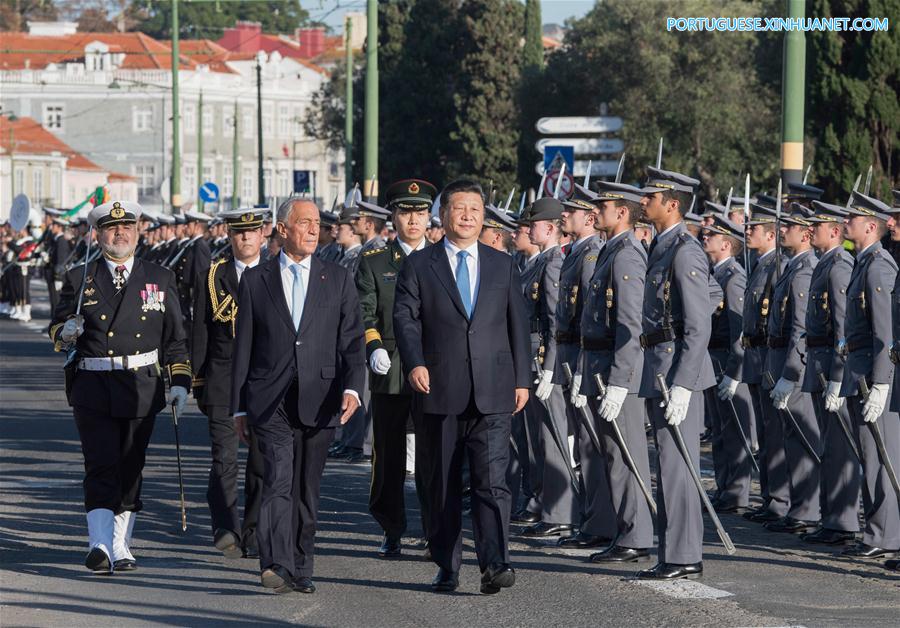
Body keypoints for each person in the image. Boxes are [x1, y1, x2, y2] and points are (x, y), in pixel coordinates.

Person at [394, 178, 531, 594]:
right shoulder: (420, 264)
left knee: (493, 482)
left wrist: (522, 379)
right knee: (441, 483)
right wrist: (415, 363)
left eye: (474, 208)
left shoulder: (502, 264)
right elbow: (405, 319)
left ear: (484, 216)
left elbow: (518, 327)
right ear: (445, 214)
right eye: (459, 208)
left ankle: (495, 563)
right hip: (439, 390)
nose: (467, 215)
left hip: (493, 391)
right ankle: (447, 565)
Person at [230, 197, 365, 594]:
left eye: (317, 223)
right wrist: (238, 405)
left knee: (307, 488)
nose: (312, 229)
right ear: (282, 229)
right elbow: (245, 347)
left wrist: (354, 387)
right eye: (303, 222)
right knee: (276, 482)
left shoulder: (337, 278)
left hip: (321, 396)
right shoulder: (256, 280)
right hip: (270, 400)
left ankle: (302, 564)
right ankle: (275, 564)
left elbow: (353, 341)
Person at [48, 200, 191, 573]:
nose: (120, 233)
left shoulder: (159, 277)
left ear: (138, 231)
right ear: (98, 235)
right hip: (93, 384)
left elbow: (175, 338)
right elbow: (57, 327)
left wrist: (179, 381)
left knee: (130, 465)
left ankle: (120, 544)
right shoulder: (81, 277)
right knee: (99, 462)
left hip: (140, 385)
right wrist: (64, 332)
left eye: (127, 227)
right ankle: (98, 545)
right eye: (112, 229)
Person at [637, 167, 721, 580]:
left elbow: (697, 324)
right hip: (660, 368)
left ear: (672, 204)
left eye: (650, 197)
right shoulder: (662, 246)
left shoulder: (684, 250)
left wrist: (684, 383)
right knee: (668, 465)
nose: (642, 202)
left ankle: (685, 554)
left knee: (678, 467)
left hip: (676, 371)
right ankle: (672, 551)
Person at [356, 179, 436, 558]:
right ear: (394, 217)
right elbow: (365, 310)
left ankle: (434, 525)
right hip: (389, 368)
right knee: (388, 457)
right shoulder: (375, 262)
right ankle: (391, 526)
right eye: (406, 212)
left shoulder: (442, 258)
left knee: (432, 455)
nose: (414, 220)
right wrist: (373, 344)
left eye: (420, 212)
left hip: (434, 370)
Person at [577, 181, 654, 563]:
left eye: (603, 206)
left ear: (621, 212)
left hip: (614, 368)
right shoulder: (611, 251)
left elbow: (629, 325)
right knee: (612, 454)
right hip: (598, 366)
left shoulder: (625, 255)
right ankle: (626, 530)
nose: (596, 212)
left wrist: (621, 381)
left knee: (626, 455)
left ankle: (636, 535)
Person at [191, 208, 267, 560]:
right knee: (224, 458)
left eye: (252, 232)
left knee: (261, 460)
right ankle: (226, 526)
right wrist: (198, 380)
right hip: (222, 379)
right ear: (229, 236)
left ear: (263, 235)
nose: (246, 239)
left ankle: (253, 530)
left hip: (266, 381)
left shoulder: (276, 273)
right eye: (239, 233)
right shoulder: (213, 276)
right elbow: (202, 332)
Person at [554, 184, 617, 549]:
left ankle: (600, 522)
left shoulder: (592, 254)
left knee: (594, 446)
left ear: (589, 218)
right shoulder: (578, 252)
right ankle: (593, 518)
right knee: (586, 446)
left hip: (589, 359)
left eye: (571, 211)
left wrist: (579, 365)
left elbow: (589, 318)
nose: (564, 215)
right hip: (579, 357)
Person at [837, 191, 899, 560]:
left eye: (852, 220)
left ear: (870, 227)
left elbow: (884, 334)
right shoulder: (862, 263)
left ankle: (885, 534)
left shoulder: (878, 266)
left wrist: (882, 383)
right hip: (858, 372)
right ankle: (877, 531)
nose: (846, 224)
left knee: (882, 457)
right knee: (869, 457)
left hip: (874, 376)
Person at [799, 200, 859, 545]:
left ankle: (844, 522)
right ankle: (833, 518)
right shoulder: (826, 264)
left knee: (839, 448)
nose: (810, 231)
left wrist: (838, 375)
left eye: (816, 226)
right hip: (819, 363)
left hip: (831, 366)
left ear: (833, 232)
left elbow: (841, 329)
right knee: (830, 448)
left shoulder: (838, 267)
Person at [520, 198, 579, 535]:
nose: (528, 230)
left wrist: (551, 367)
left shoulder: (554, 262)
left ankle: (560, 513)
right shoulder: (539, 261)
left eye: (534, 224)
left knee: (553, 436)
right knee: (538, 438)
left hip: (545, 360)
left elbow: (556, 321)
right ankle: (545, 504)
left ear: (551, 227)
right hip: (532, 357)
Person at [763, 205, 821, 535]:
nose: (783, 229)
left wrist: (790, 372)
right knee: (790, 439)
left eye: (789, 226)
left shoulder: (803, 271)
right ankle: (799, 507)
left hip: (795, 367)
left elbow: (801, 327)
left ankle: (807, 510)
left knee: (801, 440)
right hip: (780, 362)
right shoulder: (791, 267)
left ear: (805, 233)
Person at [702, 215, 754, 513]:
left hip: (726, 358)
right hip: (713, 357)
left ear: (726, 244)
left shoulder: (733, 277)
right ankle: (725, 488)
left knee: (734, 430)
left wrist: (735, 371)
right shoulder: (716, 273)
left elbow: (738, 329)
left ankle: (737, 493)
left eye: (711, 235)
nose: (705, 237)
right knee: (719, 429)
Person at [740, 204, 788, 524]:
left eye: (752, 228)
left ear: (770, 234)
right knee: (764, 432)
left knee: (775, 434)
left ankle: (781, 500)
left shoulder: (777, 266)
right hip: (756, 357)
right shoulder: (759, 265)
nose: (747, 232)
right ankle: (770, 496)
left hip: (769, 355)